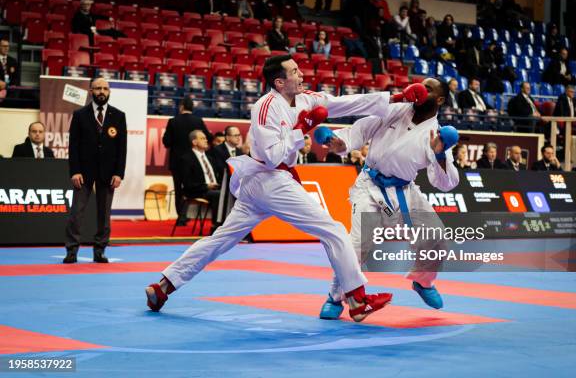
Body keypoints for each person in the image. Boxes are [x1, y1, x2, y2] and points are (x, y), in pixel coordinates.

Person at [145, 54, 401, 321]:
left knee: (220, 240)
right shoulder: (265, 107)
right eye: (295, 72)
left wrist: (394, 98)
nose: (301, 75)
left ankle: (163, 287)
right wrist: (301, 129)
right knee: (333, 230)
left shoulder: (305, 98)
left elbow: (344, 103)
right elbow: (271, 156)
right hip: (269, 178)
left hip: (265, 184)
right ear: (280, 82)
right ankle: (357, 300)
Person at [316, 77, 459, 318]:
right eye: (421, 86)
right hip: (369, 186)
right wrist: (339, 142)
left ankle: (423, 282)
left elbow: (445, 183)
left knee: (436, 239)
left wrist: (440, 154)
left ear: (441, 100)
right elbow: (360, 130)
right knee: (356, 244)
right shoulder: (393, 109)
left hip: (405, 191)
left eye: (429, 89)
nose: (422, 91)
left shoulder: (436, 135)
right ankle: (336, 297)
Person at [64, 78, 127, 264]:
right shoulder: (80, 115)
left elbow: (121, 148)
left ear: (109, 92)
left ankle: (100, 250)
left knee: (104, 214)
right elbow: (73, 146)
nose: (101, 91)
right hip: (83, 172)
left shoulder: (118, 116)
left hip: (108, 174)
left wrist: (119, 173)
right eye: (98, 88)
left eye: (105, 88)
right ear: (91, 91)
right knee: (77, 212)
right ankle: (72, 250)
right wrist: (74, 171)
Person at [163, 97, 212, 225]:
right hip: (194, 162)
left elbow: (166, 142)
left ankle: (181, 217)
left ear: (181, 107)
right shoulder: (198, 121)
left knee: (179, 189)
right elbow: (209, 137)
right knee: (193, 186)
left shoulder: (173, 121)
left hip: (177, 162)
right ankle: (191, 215)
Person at [179, 130, 221, 227]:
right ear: (194, 142)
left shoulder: (210, 158)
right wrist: (207, 186)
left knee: (233, 193)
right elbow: (187, 184)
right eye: (202, 138)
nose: (206, 140)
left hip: (214, 188)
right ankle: (216, 226)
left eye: (206, 138)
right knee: (219, 195)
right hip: (198, 190)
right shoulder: (186, 159)